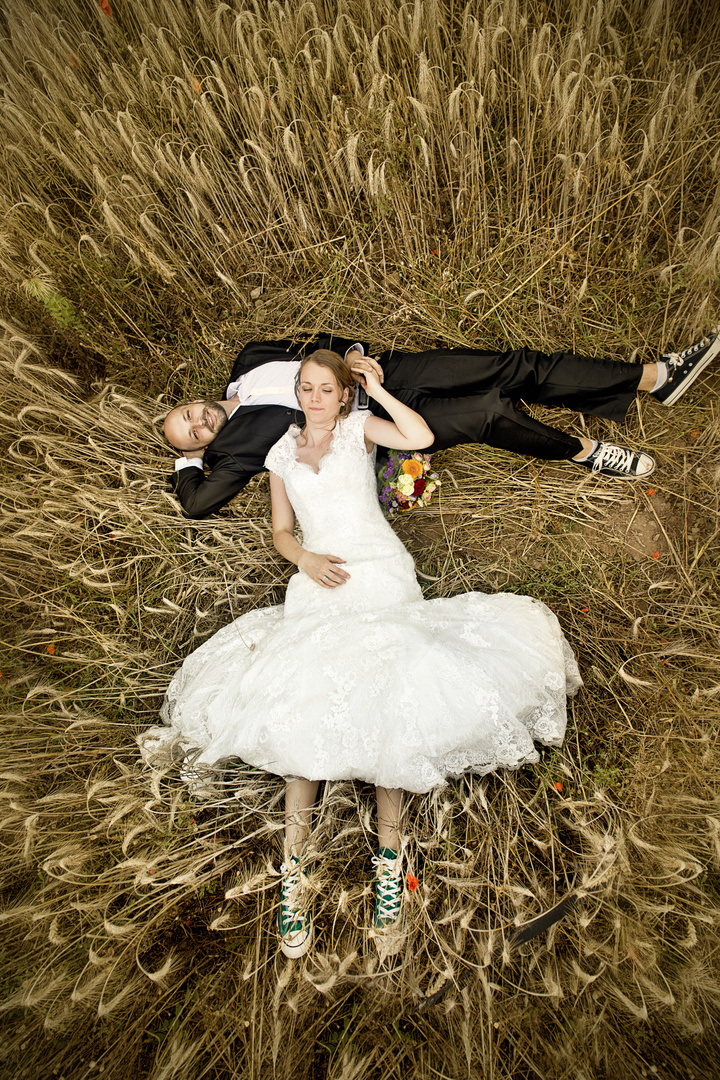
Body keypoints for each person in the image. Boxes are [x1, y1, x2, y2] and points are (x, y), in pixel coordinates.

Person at [140, 350, 583, 960]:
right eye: (306, 387)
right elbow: (280, 531)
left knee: (389, 704)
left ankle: (389, 878)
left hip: (379, 574)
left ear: (342, 395)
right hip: (319, 580)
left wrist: (376, 387)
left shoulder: (357, 429)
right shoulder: (279, 453)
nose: (314, 397)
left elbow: (419, 436)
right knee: (305, 704)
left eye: (325, 388)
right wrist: (306, 561)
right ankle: (293, 881)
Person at [162, 330, 720, 519]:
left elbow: (318, 344)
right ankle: (581, 451)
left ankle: (655, 378)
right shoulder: (233, 449)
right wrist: (189, 463)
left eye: (189, 414)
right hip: (376, 418)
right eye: (192, 433)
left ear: (194, 400)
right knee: (490, 412)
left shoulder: (247, 363)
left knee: (515, 364)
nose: (199, 422)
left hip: (390, 371)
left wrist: (353, 357)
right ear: (201, 446)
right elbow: (198, 503)